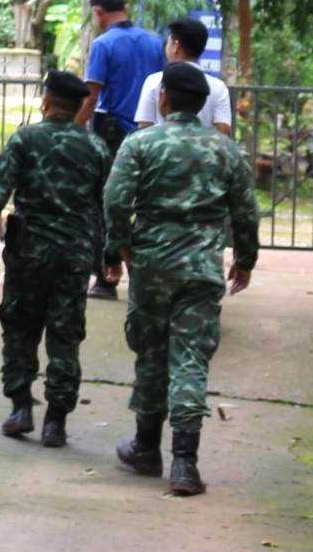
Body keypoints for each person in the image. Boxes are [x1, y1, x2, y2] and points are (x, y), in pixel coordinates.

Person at [104, 62, 259, 497]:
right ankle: (185, 465)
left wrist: (120, 246)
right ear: (205, 102)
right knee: (190, 357)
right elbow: (246, 210)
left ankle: (146, 447)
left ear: (164, 98)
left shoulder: (141, 142)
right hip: (202, 267)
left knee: (151, 353)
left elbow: (115, 198)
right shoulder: (225, 149)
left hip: (152, 264)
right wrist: (245, 258)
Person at [0, 68, 113, 447]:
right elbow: (107, 206)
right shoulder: (96, 148)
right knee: (65, 332)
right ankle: (56, 421)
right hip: (74, 253)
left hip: (28, 250)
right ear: (79, 107)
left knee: (20, 325)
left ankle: (21, 408)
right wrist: (110, 252)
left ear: (45, 101)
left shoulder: (26, 138)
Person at [76, 0, 162, 298]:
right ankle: (148, 278)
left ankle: (106, 277)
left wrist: (70, 128)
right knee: (148, 205)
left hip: (112, 136)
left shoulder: (104, 44)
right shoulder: (155, 42)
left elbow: (91, 96)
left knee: (104, 204)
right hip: (149, 134)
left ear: (98, 12)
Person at [133, 15, 233, 134]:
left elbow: (143, 128)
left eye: (168, 42)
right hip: (203, 150)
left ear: (176, 45)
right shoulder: (218, 87)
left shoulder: (155, 81)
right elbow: (224, 131)